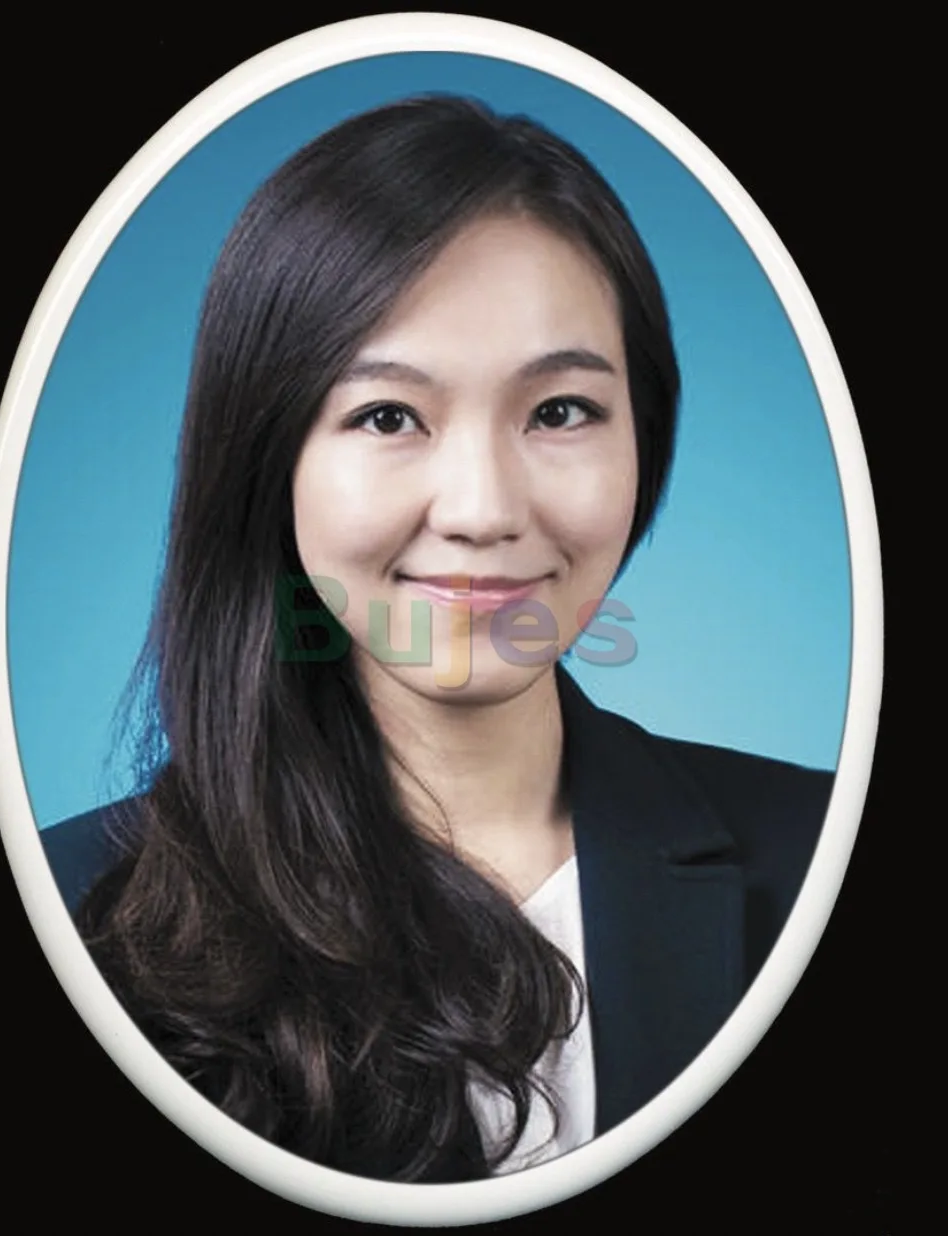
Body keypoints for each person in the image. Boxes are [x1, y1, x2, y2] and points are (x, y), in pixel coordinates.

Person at [40, 95, 833, 1184]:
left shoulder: (826, 852)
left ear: (644, 440)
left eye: (559, 411)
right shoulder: (72, 916)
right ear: (267, 458)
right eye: (387, 417)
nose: (482, 510)